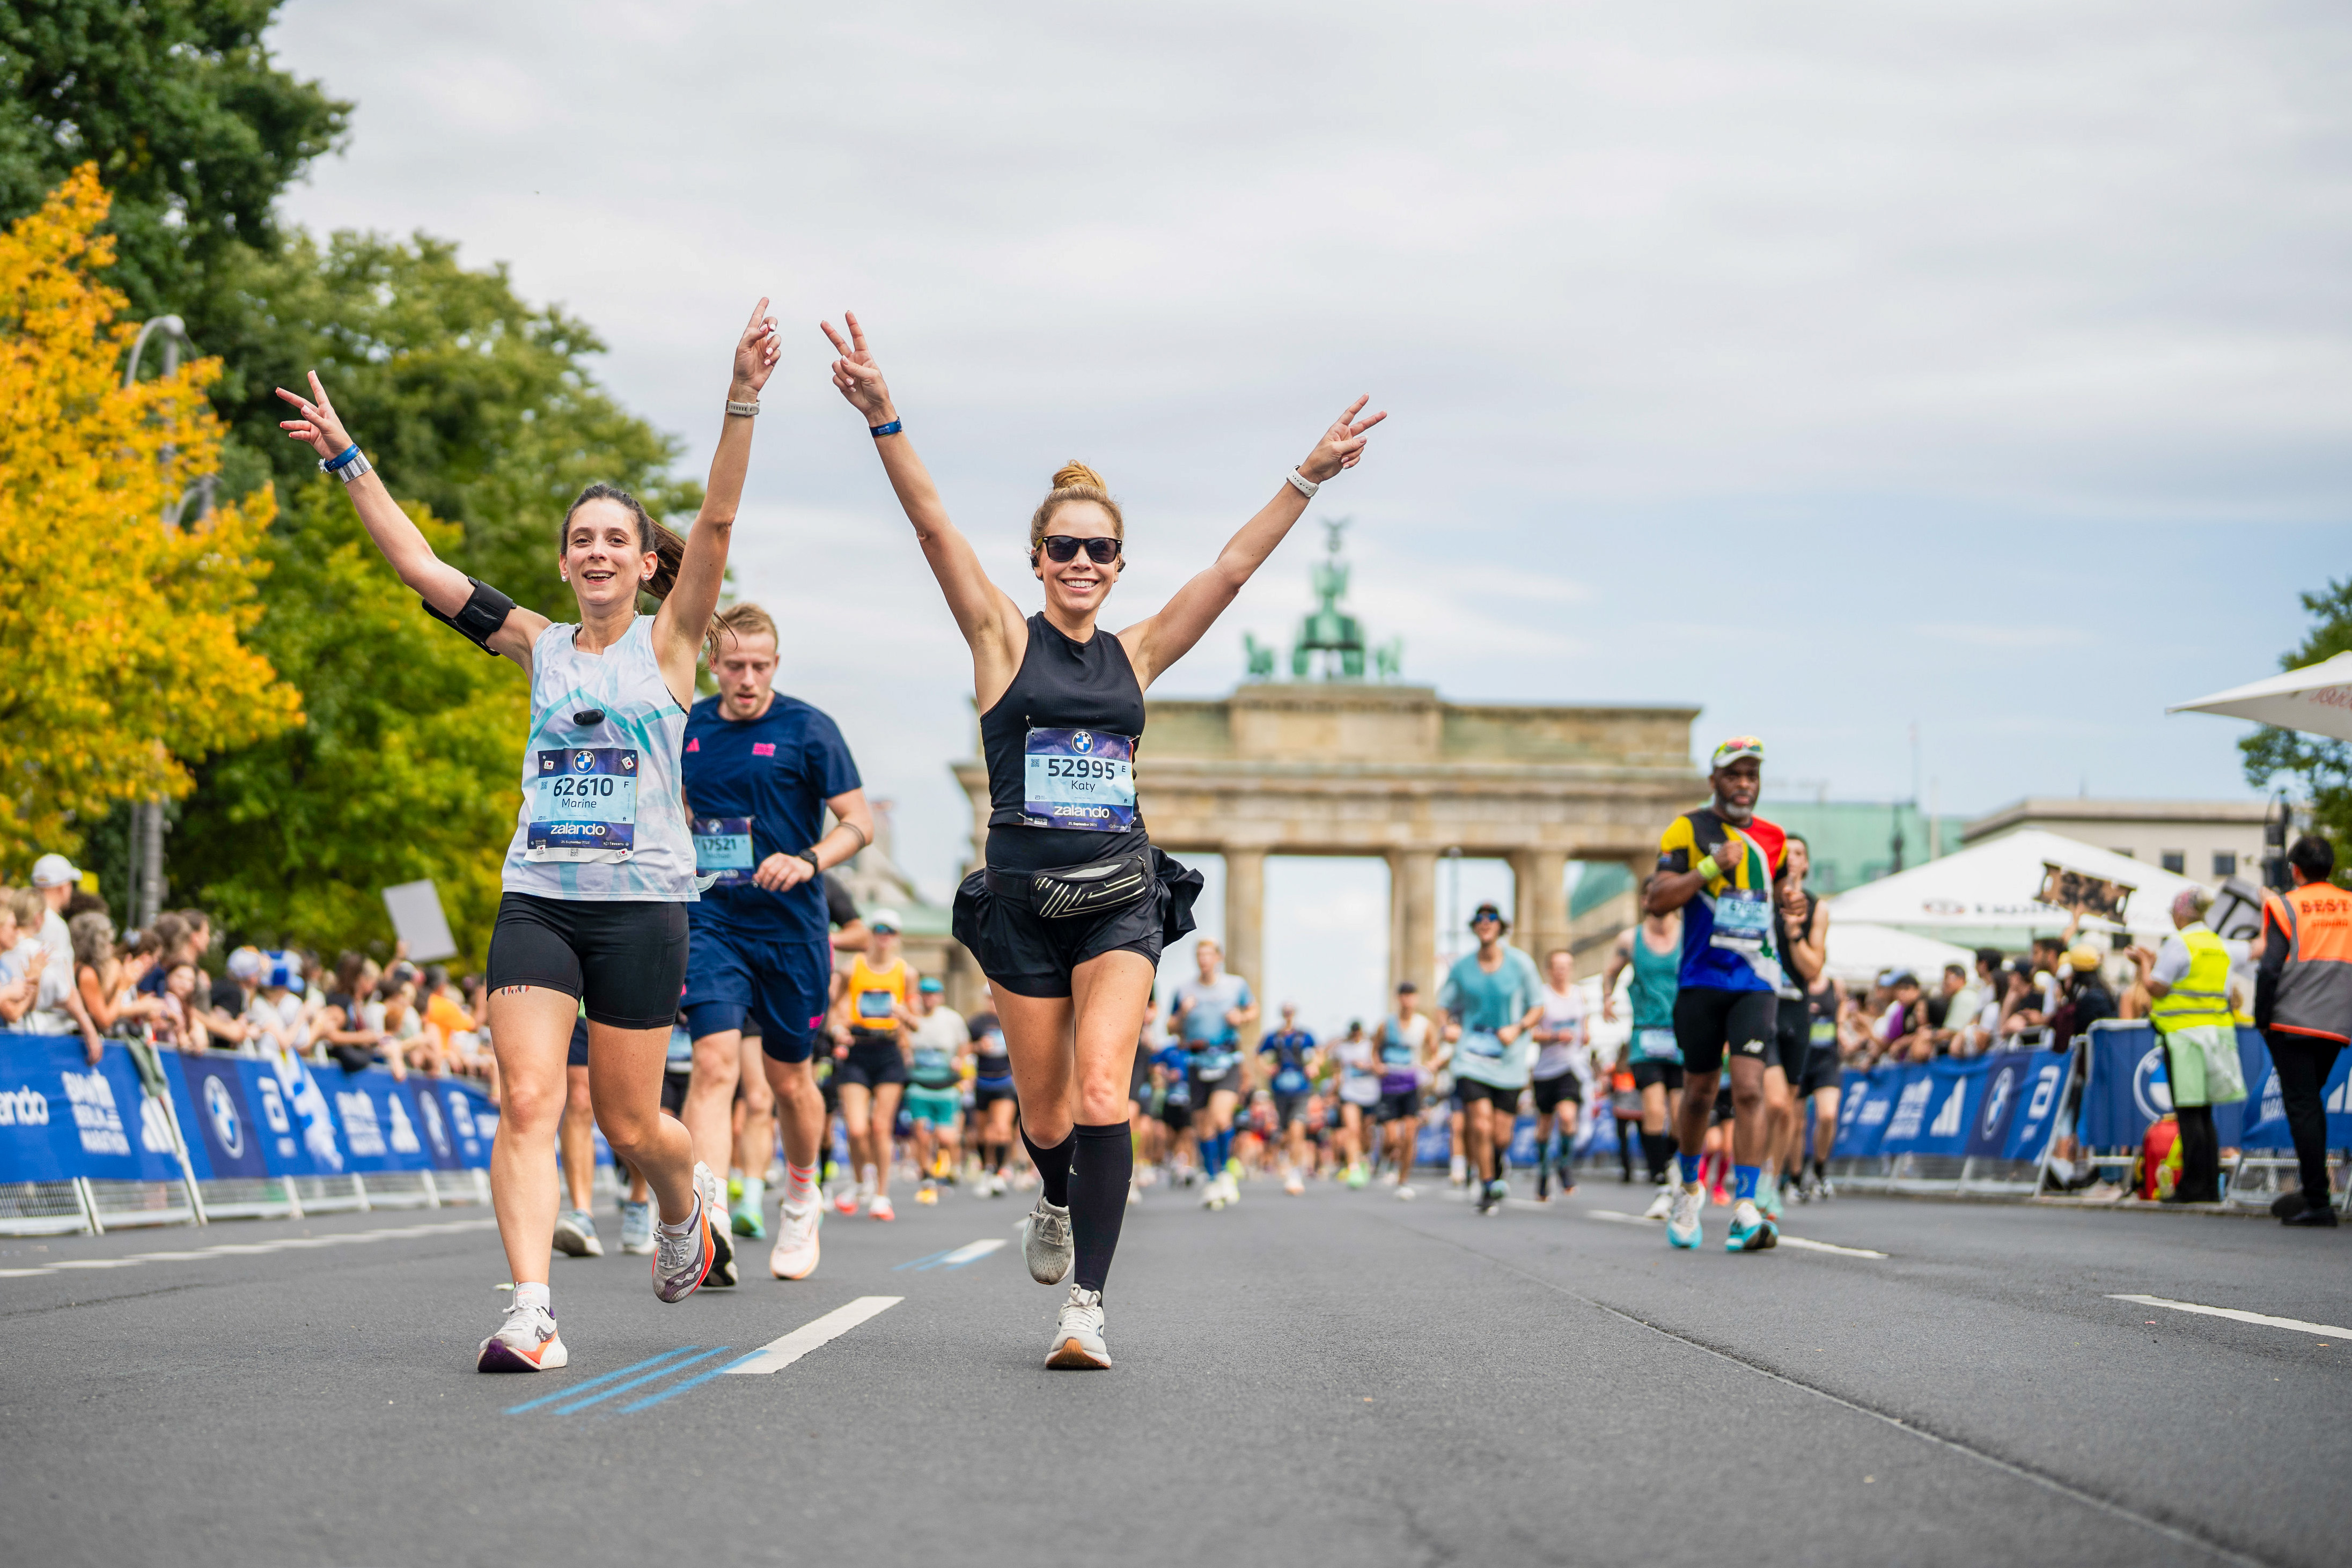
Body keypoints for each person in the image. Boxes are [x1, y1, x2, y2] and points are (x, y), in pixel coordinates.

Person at [825, 308, 1379, 1367]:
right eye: (1064, 548)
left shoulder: (1138, 652)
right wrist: (883, 416)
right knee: (1043, 1116)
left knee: (1101, 1093)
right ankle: (1050, 1193)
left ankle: (1085, 1305)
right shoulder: (998, 640)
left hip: (1120, 895)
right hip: (1021, 907)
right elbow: (935, 528)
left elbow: (1229, 568)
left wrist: (1303, 479)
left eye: (1100, 550)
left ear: (1118, 565)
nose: (1081, 561)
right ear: (1037, 560)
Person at [277, 298, 781, 1372]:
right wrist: (348, 459)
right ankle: (531, 1311)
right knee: (531, 1095)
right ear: (563, 564)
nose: (598, 551)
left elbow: (722, 525)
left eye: (617, 539)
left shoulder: (675, 642)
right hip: (540, 899)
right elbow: (422, 568)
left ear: (648, 564)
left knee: (634, 1123)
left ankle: (684, 1203)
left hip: (645, 904)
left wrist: (741, 397)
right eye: (581, 539)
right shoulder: (534, 644)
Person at [678, 598, 872, 1279]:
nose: (748, 678)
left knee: (790, 1080)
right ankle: (710, 1222)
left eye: (760, 666)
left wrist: (810, 859)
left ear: (776, 665)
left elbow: (859, 823)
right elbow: (676, 807)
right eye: (734, 665)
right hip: (713, 919)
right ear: (714, 665)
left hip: (792, 929)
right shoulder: (689, 725)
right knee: (714, 1066)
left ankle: (799, 1198)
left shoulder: (809, 730)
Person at [1648, 736, 1787, 1253]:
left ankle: (1747, 1206)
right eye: (1734, 775)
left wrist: (1790, 903)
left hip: (1755, 979)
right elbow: (1656, 899)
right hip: (1702, 980)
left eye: (1752, 775)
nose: (1744, 784)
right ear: (1714, 781)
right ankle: (1687, 1189)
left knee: (1750, 1089)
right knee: (1701, 1093)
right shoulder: (1688, 828)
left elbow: (1778, 898)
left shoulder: (1773, 838)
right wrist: (1709, 867)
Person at [2128, 888, 2243, 1204]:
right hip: (2215, 1036)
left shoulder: (2180, 943)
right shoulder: (2218, 944)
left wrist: (2144, 962)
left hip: (2184, 1039)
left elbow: (2157, 988)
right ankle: (2206, 1185)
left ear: (2180, 914)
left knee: (2190, 1113)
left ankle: (2193, 1186)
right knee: (2204, 1113)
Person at [2257, 835, 2350, 1227]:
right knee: (2310, 1103)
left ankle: (2318, 1200)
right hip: (2339, 1023)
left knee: (2304, 1107)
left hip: (2292, 1021)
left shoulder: (2284, 904)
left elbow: (2270, 967)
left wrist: (2261, 1018)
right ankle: (2315, 1192)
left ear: (2294, 869)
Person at [1439, 902, 1544, 1216]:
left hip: (1509, 1058)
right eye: (1480, 920)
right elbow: (1443, 1004)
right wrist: (1448, 1027)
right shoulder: (1461, 968)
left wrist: (1519, 1027)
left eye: (1492, 919)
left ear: (1501, 927)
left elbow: (1537, 1006)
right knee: (1480, 1124)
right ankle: (1486, 1185)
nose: (1486, 924)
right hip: (1471, 1056)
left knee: (1501, 1133)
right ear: (1474, 927)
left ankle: (1495, 1164)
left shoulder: (1521, 964)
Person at [1605, 877, 1686, 1217]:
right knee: (1654, 1110)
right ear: (1644, 901)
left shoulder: (1688, 933)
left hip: (1683, 1034)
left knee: (1682, 1116)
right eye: (1653, 896)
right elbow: (1610, 971)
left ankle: (1671, 1164)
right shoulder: (1631, 939)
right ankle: (1662, 1182)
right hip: (1646, 1034)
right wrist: (1606, 998)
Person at [831, 910, 916, 1221]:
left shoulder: (905, 973)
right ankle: (858, 1182)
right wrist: (838, 1027)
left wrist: (903, 1013)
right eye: (879, 929)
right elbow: (834, 1006)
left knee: (881, 1126)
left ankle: (881, 1195)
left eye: (890, 931)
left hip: (889, 1050)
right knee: (856, 1128)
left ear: (897, 937)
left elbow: (917, 1021)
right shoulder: (853, 968)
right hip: (858, 1048)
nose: (884, 936)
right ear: (870, 934)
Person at [1171, 937, 1258, 1210]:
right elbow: (1171, 1027)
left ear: (1218, 958)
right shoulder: (1184, 989)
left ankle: (1224, 1175)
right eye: (1200, 955)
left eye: (1208, 955)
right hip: (1197, 1061)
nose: (1204, 960)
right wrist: (1183, 1014)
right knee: (1202, 1123)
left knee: (1220, 1116)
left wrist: (1241, 1018)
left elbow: (1253, 1009)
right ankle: (1211, 1177)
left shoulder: (1235, 985)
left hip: (1228, 1058)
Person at [1771, 837, 1829, 1206]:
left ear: (1806, 864)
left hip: (1796, 1009)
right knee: (1772, 1101)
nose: (1792, 859)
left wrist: (1795, 931)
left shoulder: (1817, 908)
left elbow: (1813, 967)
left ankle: (1775, 1178)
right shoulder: (1760, 901)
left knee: (1790, 1105)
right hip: (1761, 1006)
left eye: (1799, 854)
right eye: (1785, 853)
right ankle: (1755, 1175)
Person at [24, 856, 104, 1063]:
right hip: (49, 1030)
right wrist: (88, 1028)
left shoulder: (26, 919)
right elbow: (63, 985)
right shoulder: (54, 924)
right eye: (70, 884)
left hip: (29, 1024)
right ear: (62, 887)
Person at [1528, 949, 1590, 1202]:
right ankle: (1543, 1173)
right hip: (1545, 1070)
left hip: (1570, 1068)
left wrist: (1585, 1036)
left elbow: (1584, 1028)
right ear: (1550, 970)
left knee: (1567, 1117)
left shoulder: (1578, 995)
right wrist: (1554, 1036)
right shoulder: (1541, 997)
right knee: (1544, 1125)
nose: (1562, 970)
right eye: (1558, 966)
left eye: (1567, 965)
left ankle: (1564, 1165)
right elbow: (1529, 1032)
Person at [906, 976, 971, 1204]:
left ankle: (947, 1168)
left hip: (946, 1086)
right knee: (922, 1134)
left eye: (933, 994)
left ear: (941, 996)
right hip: (920, 1085)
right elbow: (903, 1042)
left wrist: (959, 1060)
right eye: (925, 993)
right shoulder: (911, 1018)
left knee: (946, 1137)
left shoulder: (952, 1019)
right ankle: (926, 1175)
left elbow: (965, 1044)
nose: (929, 998)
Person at [1376, 982, 1435, 1199]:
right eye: (1403, 996)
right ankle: (1386, 1160)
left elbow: (1435, 1051)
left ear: (1416, 999)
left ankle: (1404, 1179)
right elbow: (1375, 1051)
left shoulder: (1424, 1025)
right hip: (1389, 1086)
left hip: (1412, 1086)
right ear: (1398, 998)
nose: (1407, 1000)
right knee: (1392, 1139)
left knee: (1410, 1135)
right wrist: (1377, 1066)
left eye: (1411, 996)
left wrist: (1432, 1065)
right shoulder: (1386, 1024)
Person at [1259, 1003, 1319, 1196]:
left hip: (1301, 1089)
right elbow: (1258, 1056)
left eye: (1291, 1012)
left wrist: (1314, 1065)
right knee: (1285, 1133)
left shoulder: (1304, 1035)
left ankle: (1295, 1173)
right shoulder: (1273, 1037)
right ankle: (1286, 1158)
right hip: (1280, 1090)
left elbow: (1319, 1053)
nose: (1288, 1015)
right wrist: (1267, 1069)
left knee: (1297, 1128)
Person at [965, 985, 1018, 1196]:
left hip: (1004, 1081)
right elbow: (963, 1050)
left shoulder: (1013, 1020)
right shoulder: (976, 1023)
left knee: (1002, 1128)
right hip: (982, 1081)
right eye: (990, 998)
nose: (993, 1003)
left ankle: (997, 1172)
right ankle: (987, 1167)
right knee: (982, 1133)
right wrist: (978, 1047)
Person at [1329, 1019, 1380, 1187]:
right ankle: (1354, 1167)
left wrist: (1366, 1066)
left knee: (1366, 1133)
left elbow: (1380, 1067)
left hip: (1370, 1094)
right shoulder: (1343, 1048)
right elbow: (1334, 1066)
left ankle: (1364, 1157)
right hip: (1350, 1093)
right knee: (1352, 1130)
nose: (1356, 1033)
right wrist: (1334, 1088)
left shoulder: (1371, 1046)